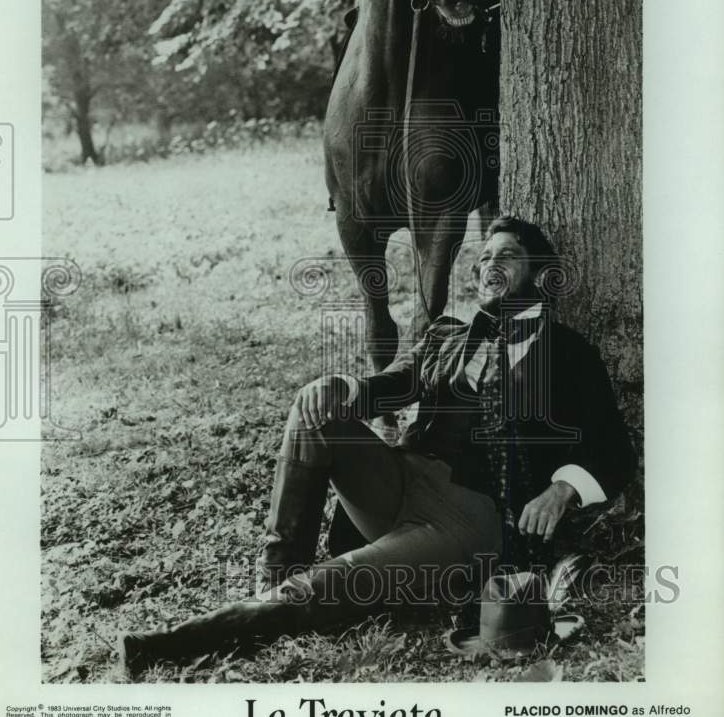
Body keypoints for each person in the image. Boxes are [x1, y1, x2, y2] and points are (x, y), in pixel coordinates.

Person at [120, 216, 634, 676]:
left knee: (331, 584)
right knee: (313, 402)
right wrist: (349, 389)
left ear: (539, 274)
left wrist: (562, 488)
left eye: (508, 255)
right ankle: (275, 575)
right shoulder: (448, 336)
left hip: (466, 519)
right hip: (397, 481)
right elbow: (395, 383)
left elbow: (612, 448)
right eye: (483, 257)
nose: (490, 264)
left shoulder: (566, 353)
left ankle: (169, 645)